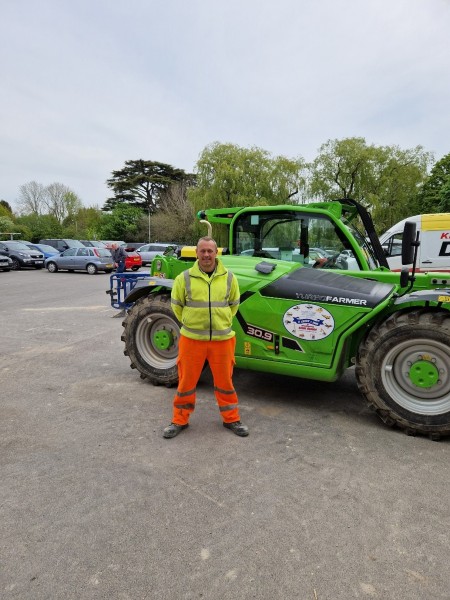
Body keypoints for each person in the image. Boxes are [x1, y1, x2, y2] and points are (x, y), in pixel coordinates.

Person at [163, 236, 249, 439]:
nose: (207, 255)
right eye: (203, 251)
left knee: (225, 383)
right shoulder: (183, 278)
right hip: (192, 340)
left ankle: (231, 419)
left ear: (216, 253)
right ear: (196, 253)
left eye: (210, 251)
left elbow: (234, 305)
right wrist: (192, 322)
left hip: (222, 340)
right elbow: (177, 306)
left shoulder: (229, 278)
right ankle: (179, 420)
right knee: (186, 383)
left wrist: (222, 322)